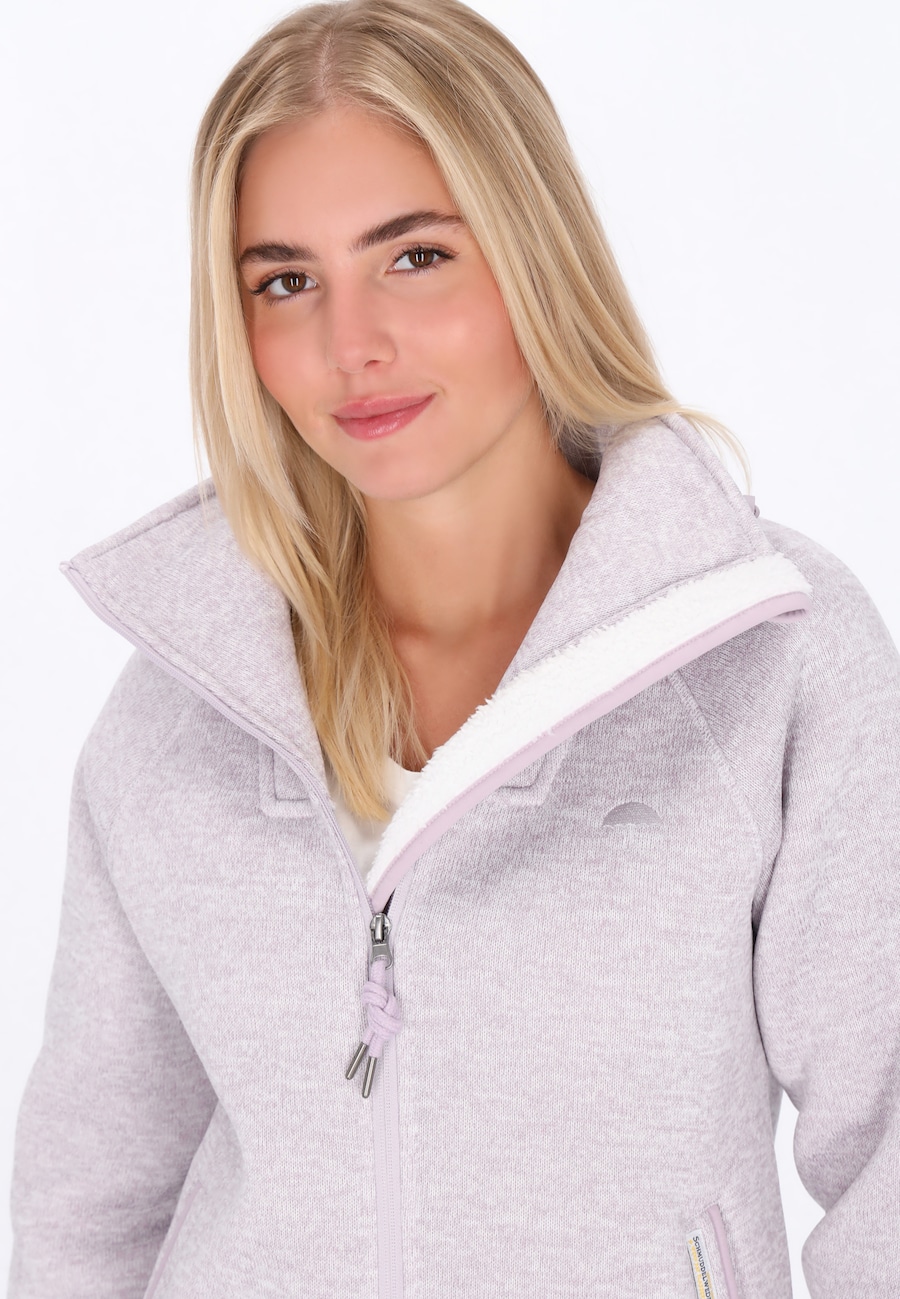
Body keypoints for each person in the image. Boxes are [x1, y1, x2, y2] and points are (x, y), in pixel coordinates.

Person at [7, 0, 899, 1294]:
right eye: (285, 282)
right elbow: (89, 1201)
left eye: (415, 256)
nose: (350, 345)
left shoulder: (772, 660)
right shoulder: (183, 711)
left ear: (532, 249)